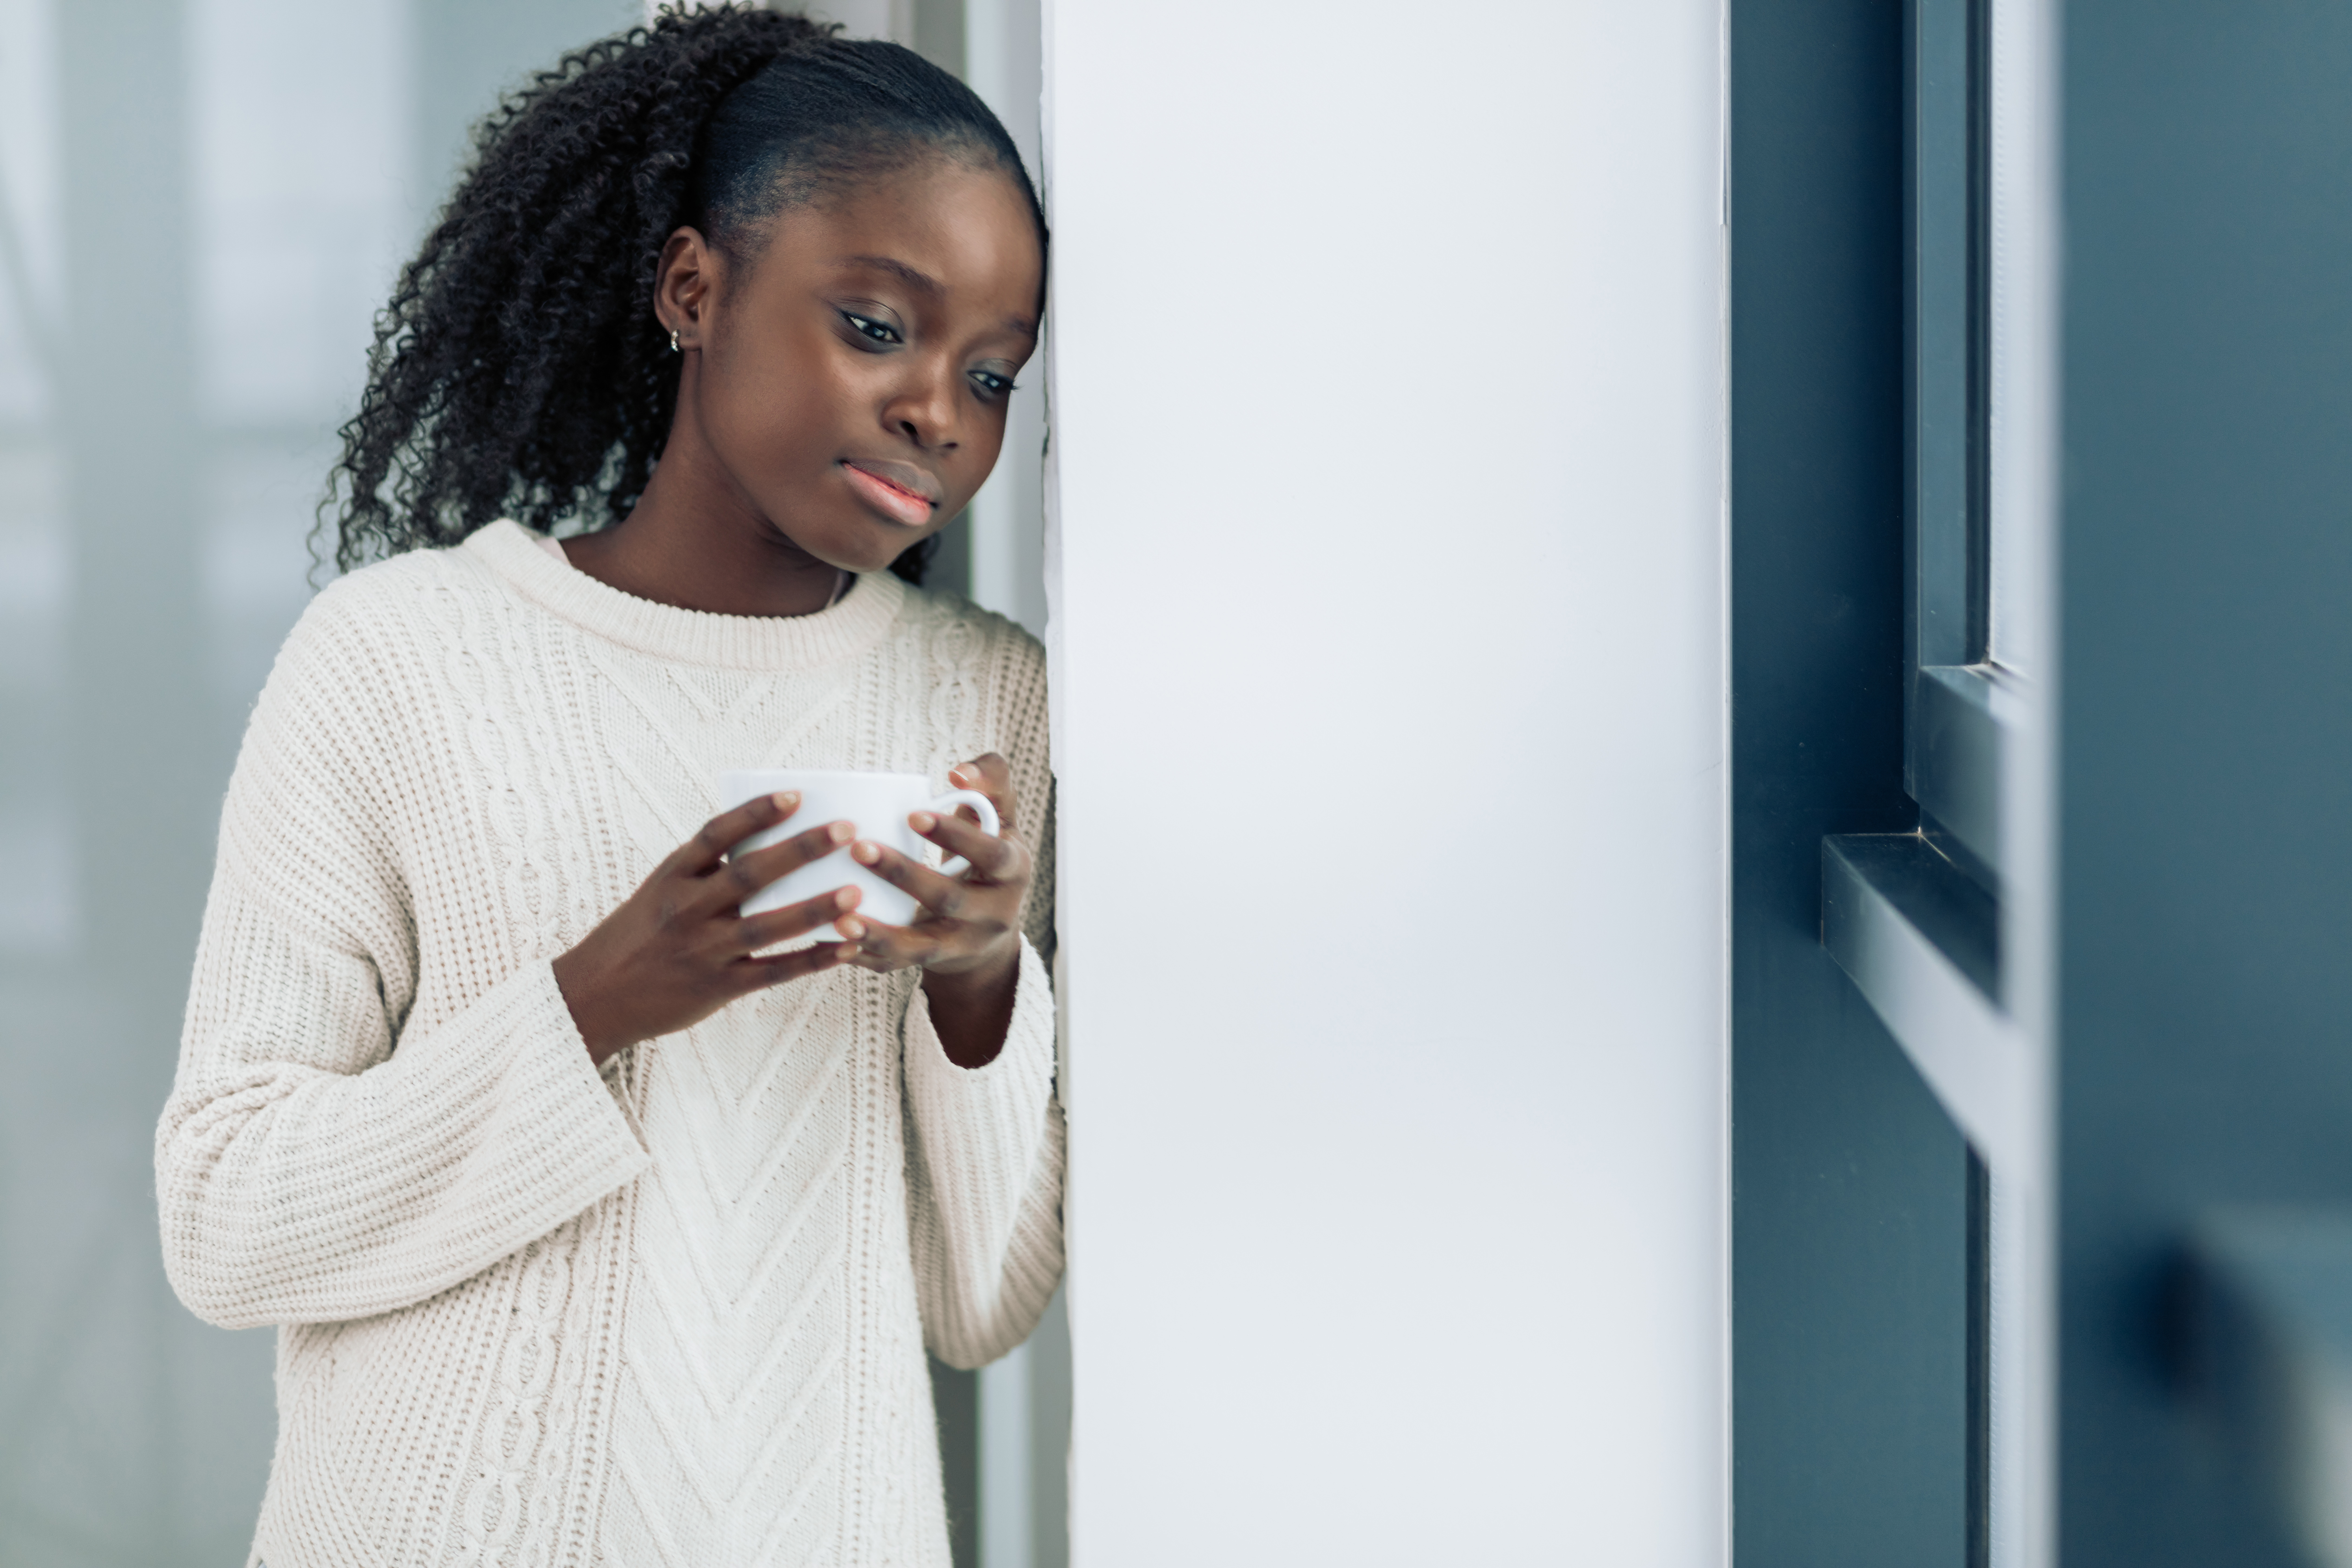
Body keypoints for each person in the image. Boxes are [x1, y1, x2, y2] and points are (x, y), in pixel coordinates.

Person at [153, 10, 1060, 1564]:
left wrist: (979, 986)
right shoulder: (395, 660)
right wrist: (593, 1004)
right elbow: (224, 1219)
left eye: (991, 373)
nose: (939, 413)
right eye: (873, 326)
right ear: (692, 287)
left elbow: (984, 1306)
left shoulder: (987, 700)